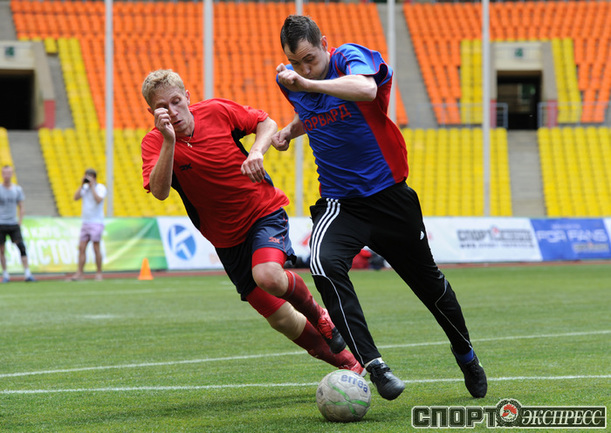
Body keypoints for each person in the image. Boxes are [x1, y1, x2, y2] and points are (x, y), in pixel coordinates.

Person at [273, 15, 487, 401]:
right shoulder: (292, 81)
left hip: (390, 197)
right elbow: (314, 111)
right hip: (342, 203)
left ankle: (466, 355)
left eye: (310, 59)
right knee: (322, 263)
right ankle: (374, 365)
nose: (304, 69)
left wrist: (306, 83)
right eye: (295, 62)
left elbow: (365, 89)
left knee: (430, 286)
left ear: (325, 44)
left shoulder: (348, 57)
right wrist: (290, 129)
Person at [139, 69, 362, 374]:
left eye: (176, 101)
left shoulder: (217, 111)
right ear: (152, 113)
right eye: (163, 108)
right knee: (282, 320)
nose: (173, 111)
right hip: (226, 241)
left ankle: (320, 316)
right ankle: (350, 365)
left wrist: (256, 151)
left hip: (262, 212)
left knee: (268, 276)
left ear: (188, 97)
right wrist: (169, 141)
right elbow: (160, 192)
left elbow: (266, 122)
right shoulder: (154, 143)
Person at [0, 165, 35, 282]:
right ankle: (5, 274)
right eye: (5, 173)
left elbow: (21, 207)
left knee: (21, 247)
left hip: (13, 223)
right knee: (1, 250)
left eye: (9, 173)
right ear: (2, 174)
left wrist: (19, 222)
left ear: (12, 174)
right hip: (1, 223)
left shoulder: (17, 189)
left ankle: (27, 274)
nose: (7, 175)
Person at [70, 168, 106, 281]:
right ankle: (79, 273)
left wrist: (92, 187)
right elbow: (75, 197)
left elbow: (99, 200)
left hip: (97, 222)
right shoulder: (84, 188)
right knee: (81, 248)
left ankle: (99, 273)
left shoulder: (100, 188)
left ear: (94, 178)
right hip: (85, 222)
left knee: (96, 248)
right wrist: (82, 185)